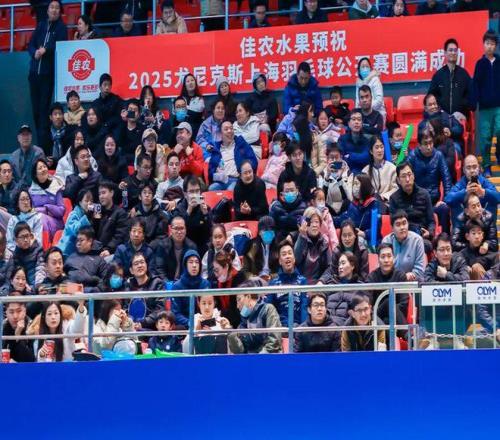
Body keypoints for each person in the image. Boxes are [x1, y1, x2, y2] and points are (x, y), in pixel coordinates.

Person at [28, 0, 67, 153]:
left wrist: (46, 50)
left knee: (44, 111)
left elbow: (60, 45)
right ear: (47, 10)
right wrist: (35, 53)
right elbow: (31, 44)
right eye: (52, 7)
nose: (54, 10)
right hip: (34, 74)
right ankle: (39, 145)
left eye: (57, 8)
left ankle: (44, 147)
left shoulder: (61, 28)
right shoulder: (41, 26)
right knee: (36, 111)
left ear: (60, 11)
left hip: (47, 75)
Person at [220, 278, 282, 354]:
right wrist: (230, 331)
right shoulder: (243, 322)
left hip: (268, 359)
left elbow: (274, 342)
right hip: (251, 360)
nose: (237, 306)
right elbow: (239, 351)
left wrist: (256, 359)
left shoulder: (268, 309)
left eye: (239, 300)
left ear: (248, 297)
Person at [407, 126, 452, 233]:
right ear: (419, 145)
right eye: (425, 144)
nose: (429, 147)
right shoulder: (412, 157)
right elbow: (405, 179)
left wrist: (444, 201)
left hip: (434, 202)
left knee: (444, 208)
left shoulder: (438, 156)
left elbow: (447, 180)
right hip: (417, 202)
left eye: (431, 143)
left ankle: (444, 238)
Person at [389, 162, 435, 252]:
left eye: (409, 175)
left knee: (427, 245)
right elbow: (394, 224)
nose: (407, 179)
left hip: (422, 237)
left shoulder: (424, 194)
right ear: (398, 180)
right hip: (402, 236)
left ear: (413, 176)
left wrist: (429, 232)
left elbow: (431, 221)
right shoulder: (394, 198)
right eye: (403, 176)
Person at [472, 30, 500, 176]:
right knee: (485, 137)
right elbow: (475, 85)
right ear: (483, 45)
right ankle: (487, 164)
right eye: (487, 43)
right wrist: (474, 102)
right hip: (484, 108)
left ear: (496, 46)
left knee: (499, 130)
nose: (490, 46)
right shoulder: (480, 64)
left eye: (492, 44)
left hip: (498, 106)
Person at [445, 155, 500, 224]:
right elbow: (448, 199)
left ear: (479, 168)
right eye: (468, 168)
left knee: (493, 200)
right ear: (464, 170)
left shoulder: (484, 181)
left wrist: (483, 192)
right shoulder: (460, 183)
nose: (472, 171)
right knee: (454, 203)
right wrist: (465, 192)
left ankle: (490, 230)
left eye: (474, 167)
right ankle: (459, 230)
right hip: (466, 222)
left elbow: (498, 197)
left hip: (483, 220)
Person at [266, 240, 308, 327]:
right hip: (279, 327)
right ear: (280, 261)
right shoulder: (273, 283)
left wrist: (303, 329)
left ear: (294, 259)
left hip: (297, 327)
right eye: (284, 254)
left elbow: (304, 307)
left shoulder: (302, 281)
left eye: (290, 253)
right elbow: (268, 307)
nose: (287, 256)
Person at [428, 38, 472, 119]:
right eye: (450, 50)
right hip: (442, 118)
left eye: (455, 50)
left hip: (460, 117)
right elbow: (431, 96)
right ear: (445, 53)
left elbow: (471, 96)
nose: (453, 53)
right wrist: (440, 112)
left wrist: (462, 111)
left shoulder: (464, 74)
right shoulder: (438, 75)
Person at [208, 120, 257, 190]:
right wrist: (216, 176)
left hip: (237, 180)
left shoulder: (241, 144)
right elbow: (210, 171)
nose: (229, 131)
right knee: (212, 188)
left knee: (230, 189)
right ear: (220, 134)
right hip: (221, 181)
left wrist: (244, 169)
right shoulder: (216, 149)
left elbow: (253, 161)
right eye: (226, 129)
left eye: (231, 128)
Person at [366, 243, 409, 320]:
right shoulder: (372, 277)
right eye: (383, 257)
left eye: (389, 256)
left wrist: (389, 312)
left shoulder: (400, 276)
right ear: (378, 259)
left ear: (394, 258)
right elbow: (368, 304)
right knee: (388, 302)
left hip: (397, 317)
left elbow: (404, 304)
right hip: (377, 318)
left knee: (389, 303)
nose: (386, 260)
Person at [171, 176, 212, 255]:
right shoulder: (179, 209)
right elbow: (178, 233)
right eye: (191, 192)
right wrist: (188, 211)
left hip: (202, 246)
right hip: (184, 247)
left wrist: (206, 214)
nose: (195, 195)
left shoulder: (205, 208)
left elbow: (210, 232)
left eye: (197, 191)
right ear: (185, 194)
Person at [170, 250, 210, 329]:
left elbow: (210, 307)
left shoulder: (206, 284)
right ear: (185, 265)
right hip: (185, 325)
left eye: (197, 262)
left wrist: (202, 322)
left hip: (203, 323)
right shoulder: (177, 286)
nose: (194, 265)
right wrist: (191, 323)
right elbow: (175, 313)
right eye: (191, 262)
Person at [381, 210, 425, 281]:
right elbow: (384, 267)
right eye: (398, 225)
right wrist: (402, 277)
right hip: (392, 282)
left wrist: (408, 277)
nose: (402, 227)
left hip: (412, 283)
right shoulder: (386, 241)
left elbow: (420, 270)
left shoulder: (417, 240)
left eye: (404, 223)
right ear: (392, 228)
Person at [125, 252, 165, 330]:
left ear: (146, 265)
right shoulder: (128, 285)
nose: (140, 265)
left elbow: (160, 309)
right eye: (136, 264)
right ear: (131, 270)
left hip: (150, 327)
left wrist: (143, 323)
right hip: (131, 327)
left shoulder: (157, 283)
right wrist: (129, 322)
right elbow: (125, 308)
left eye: (142, 262)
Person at [335, 173, 379, 242]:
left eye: (357, 184)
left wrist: (364, 234)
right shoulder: (353, 205)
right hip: (354, 239)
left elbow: (376, 229)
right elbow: (342, 219)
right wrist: (327, 217)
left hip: (369, 241)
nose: (354, 187)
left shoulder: (374, 204)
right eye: (354, 184)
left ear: (364, 186)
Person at [65, 226, 110, 292]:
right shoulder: (71, 257)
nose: (78, 243)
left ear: (90, 241)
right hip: (68, 292)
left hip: (88, 294)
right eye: (77, 240)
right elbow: (62, 276)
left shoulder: (99, 260)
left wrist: (93, 290)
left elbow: (105, 282)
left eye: (81, 240)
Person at [29, 159, 65, 241]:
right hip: (36, 222)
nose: (43, 169)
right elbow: (31, 211)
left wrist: (48, 207)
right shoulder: (31, 191)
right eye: (40, 168)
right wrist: (43, 210)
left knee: (41, 218)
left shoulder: (56, 186)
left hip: (56, 223)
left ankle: (44, 245)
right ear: (35, 174)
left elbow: (61, 211)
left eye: (44, 166)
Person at [91, 181, 129, 257]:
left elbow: (120, 235)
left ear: (111, 193)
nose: (101, 196)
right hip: (96, 250)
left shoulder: (120, 213)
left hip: (112, 252)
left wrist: (109, 249)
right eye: (99, 194)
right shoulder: (98, 210)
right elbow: (93, 232)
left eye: (103, 193)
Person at [294, 207, 331, 284]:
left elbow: (330, 267)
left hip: (318, 285)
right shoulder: (300, 239)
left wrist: (322, 281)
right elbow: (296, 260)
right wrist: (302, 236)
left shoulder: (324, 243)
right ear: (305, 224)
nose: (314, 225)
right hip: (300, 283)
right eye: (311, 222)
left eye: (317, 222)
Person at [212, 249, 248, 327]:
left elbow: (243, 310)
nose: (215, 274)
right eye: (214, 270)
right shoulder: (215, 282)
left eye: (217, 270)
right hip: (222, 324)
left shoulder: (240, 279)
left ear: (226, 267)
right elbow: (217, 308)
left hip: (239, 324)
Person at [155, 216, 197, 281]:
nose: (179, 232)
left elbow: (193, 270)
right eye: (176, 228)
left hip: (185, 282)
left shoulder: (192, 247)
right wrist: (168, 283)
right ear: (171, 230)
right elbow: (160, 269)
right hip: (167, 283)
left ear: (186, 230)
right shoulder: (162, 245)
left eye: (182, 228)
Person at [362, 135, 398, 208]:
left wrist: (384, 196)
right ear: (371, 151)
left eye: (382, 147)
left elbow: (396, 188)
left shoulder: (392, 168)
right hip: (371, 206)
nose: (380, 150)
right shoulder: (365, 171)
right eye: (377, 147)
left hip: (388, 204)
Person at [57, 189, 93, 258]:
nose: (89, 203)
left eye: (91, 201)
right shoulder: (74, 214)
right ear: (80, 202)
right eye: (86, 201)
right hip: (66, 250)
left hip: (76, 251)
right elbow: (75, 230)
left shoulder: (86, 214)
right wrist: (86, 218)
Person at [9, 223, 45, 289]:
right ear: (16, 240)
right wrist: (25, 285)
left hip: (39, 284)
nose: (25, 240)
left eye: (27, 236)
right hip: (25, 286)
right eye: (22, 237)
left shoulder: (38, 250)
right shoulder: (16, 254)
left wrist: (38, 285)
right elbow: (19, 274)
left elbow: (40, 268)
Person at [243, 216, 280, 280]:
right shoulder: (249, 246)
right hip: (255, 281)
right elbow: (245, 270)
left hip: (273, 281)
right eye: (265, 230)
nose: (268, 233)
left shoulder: (279, 246)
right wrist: (252, 278)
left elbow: (282, 270)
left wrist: (271, 277)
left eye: (271, 230)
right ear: (259, 232)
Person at [2, 293, 35, 362]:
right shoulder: (3, 327)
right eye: (11, 312)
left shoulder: (32, 327)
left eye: (19, 311)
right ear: (6, 313)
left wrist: (18, 337)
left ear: (25, 311)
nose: (15, 316)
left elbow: (31, 360)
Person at [338, 110, 371, 175]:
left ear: (362, 123)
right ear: (349, 123)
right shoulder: (342, 139)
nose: (356, 122)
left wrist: (350, 155)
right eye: (353, 119)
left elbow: (366, 158)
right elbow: (342, 159)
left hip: (363, 175)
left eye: (359, 119)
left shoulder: (367, 141)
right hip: (346, 174)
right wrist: (359, 157)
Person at [0, 160, 21, 231]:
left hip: (15, 220)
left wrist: (7, 210)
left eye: (9, 171)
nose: (7, 174)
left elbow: (21, 210)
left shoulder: (18, 189)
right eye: (4, 172)